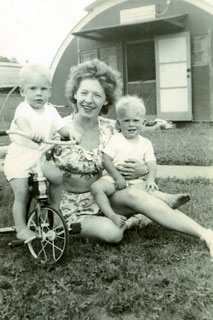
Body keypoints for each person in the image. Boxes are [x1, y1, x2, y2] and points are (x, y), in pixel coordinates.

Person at [53, 59, 213, 260]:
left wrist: (143, 170)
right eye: (84, 92)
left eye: (97, 95)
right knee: (112, 233)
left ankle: (206, 234)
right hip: (74, 208)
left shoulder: (113, 127)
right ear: (75, 93)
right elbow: (35, 170)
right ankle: (138, 218)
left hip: (110, 196)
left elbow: (140, 148)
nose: (89, 100)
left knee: (136, 195)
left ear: (106, 100)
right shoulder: (58, 129)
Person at [91, 95, 190, 228]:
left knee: (148, 189)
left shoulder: (146, 143)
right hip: (113, 179)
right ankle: (111, 215)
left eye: (136, 120)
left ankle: (168, 199)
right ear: (119, 123)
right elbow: (106, 160)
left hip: (135, 182)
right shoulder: (116, 139)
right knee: (96, 187)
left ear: (143, 123)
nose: (131, 124)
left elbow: (152, 164)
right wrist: (117, 177)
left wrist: (150, 179)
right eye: (126, 120)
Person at [4, 63, 78, 242]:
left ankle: (55, 208)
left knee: (57, 176)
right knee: (21, 193)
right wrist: (30, 132)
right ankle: (21, 229)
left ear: (50, 92)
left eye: (43, 89)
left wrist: (72, 133)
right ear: (23, 91)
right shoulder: (23, 109)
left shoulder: (51, 111)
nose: (39, 93)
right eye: (33, 88)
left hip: (38, 156)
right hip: (20, 157)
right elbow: (22, 122)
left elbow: (62, 128)